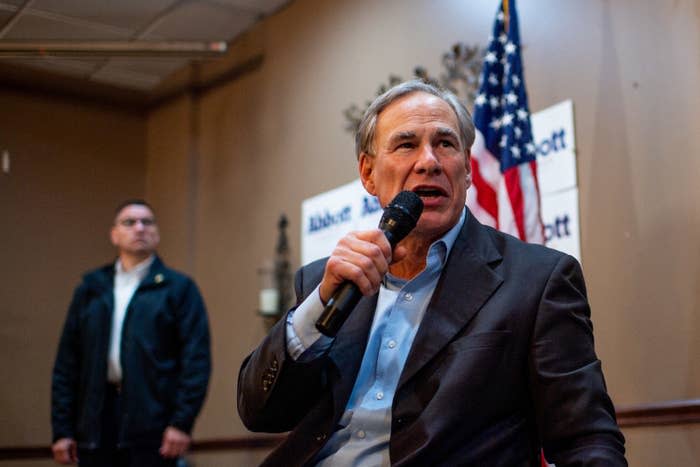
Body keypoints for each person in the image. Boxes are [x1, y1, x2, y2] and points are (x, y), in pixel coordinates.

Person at [237, 80, 626, 466]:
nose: (429, 161)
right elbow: (259, 412)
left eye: (445, 144)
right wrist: (317, 307)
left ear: (468, 170)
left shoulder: (538, 281)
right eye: (406, 144)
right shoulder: (326, 281)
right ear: (368, 173)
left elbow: (586, 439)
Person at [51, 200, 211, 467]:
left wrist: (181, 423)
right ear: (114, 234)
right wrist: (62, 430)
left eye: (147, 222)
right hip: (95, 423)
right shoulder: (91, 289)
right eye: (129, 222)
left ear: (156, 234)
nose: (139, 228)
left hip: (154, 426)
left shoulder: (178, 288)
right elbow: (67, 364)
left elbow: (196, 360)